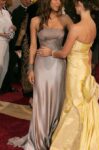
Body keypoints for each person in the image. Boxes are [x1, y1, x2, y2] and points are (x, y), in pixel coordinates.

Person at [38, 0, 99, 149]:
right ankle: (84, 137)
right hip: (84, 69)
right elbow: (89, 51)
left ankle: (72, 142)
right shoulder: (93, 26)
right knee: (85, 103)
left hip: (75, 71)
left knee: (73, 104)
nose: (75, 8)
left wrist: (49, 52)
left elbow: (63, 53)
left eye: (76, 5)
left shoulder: (76, 28)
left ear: (81, 5)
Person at [8, 0, 73, 149]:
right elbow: (32, 46)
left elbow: (76, 36)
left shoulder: (65, 19)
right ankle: (39, 138)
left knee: (57, 101)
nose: (59, 2)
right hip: (41, 66)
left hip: (58, 64)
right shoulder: (35, 20)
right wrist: (30, 68)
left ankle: (54, 136)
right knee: (41, 102)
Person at [0, 0, 15, 91]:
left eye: (4, 0)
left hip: (6, 43)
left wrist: (13, 28)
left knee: (4, 68)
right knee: (0, 66)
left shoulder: (6, 12)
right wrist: (2, 34)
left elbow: (10, 26)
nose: (2, 2)